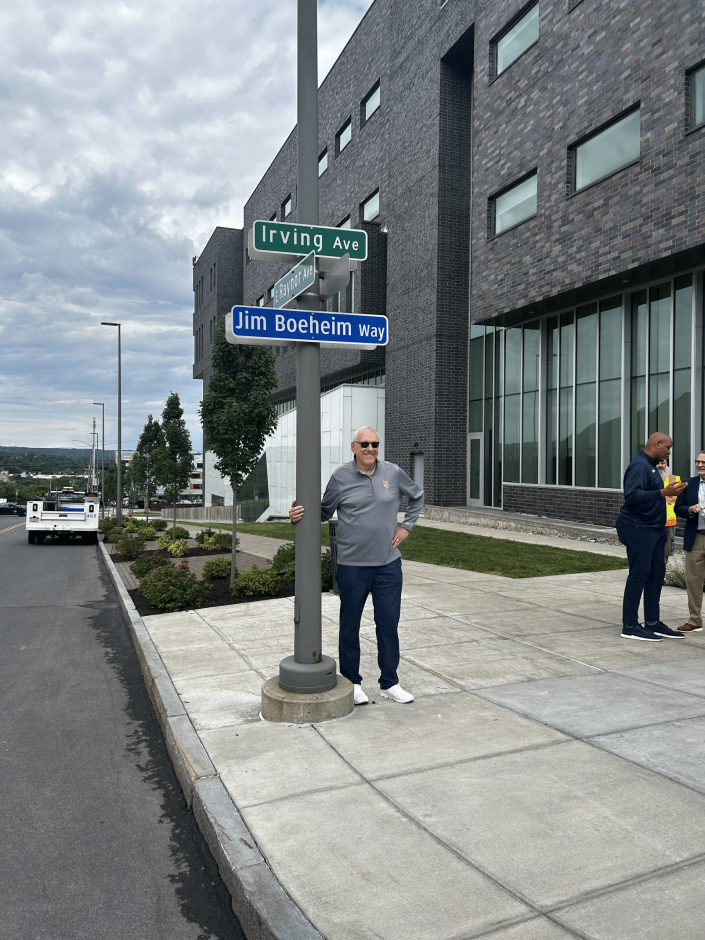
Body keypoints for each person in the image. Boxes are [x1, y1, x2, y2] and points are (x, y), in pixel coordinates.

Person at [289, 427, 423, 705]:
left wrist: (406, 527)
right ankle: (353, 682)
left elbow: (417, 496)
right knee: (350, 627)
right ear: (353, 447)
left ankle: (390, 683)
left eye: (374, 444)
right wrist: (298, 513)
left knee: (388, 624)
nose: (370, 448)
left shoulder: (393, 472)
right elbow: (323, 511)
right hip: (352, 566)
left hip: (388, 565)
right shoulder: (340, 477)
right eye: (364, 444)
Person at [615, 432, 687, 641]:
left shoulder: (652, 467)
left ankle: (653, 623)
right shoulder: (640, 466)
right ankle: (629, 625)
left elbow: (652, 495)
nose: (669, 452)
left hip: (655, 528)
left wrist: (670, 491)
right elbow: (632, 496)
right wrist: (664, 493)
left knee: (656, 576)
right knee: (639, 575)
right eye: (668, 447)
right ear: (657, 444)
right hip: (638, 527)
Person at [674, 452, 705, 633]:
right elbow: (678, 508)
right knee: (693, 580)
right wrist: (690, 510)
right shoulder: (689, 483)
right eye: (697, 461)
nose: (699, 465)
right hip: (696, 537)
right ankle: (695, 620)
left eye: (703, 462)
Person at [656, 458, 680, 567]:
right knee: (651, 550)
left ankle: (661, 575)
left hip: (669, 523)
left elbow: (681, 502)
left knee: (666, 551)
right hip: (652, 522)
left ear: (667, 464)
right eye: (658, 463)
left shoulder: (675, 480)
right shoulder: (648, 479)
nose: (660, 465)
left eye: (663, 463)